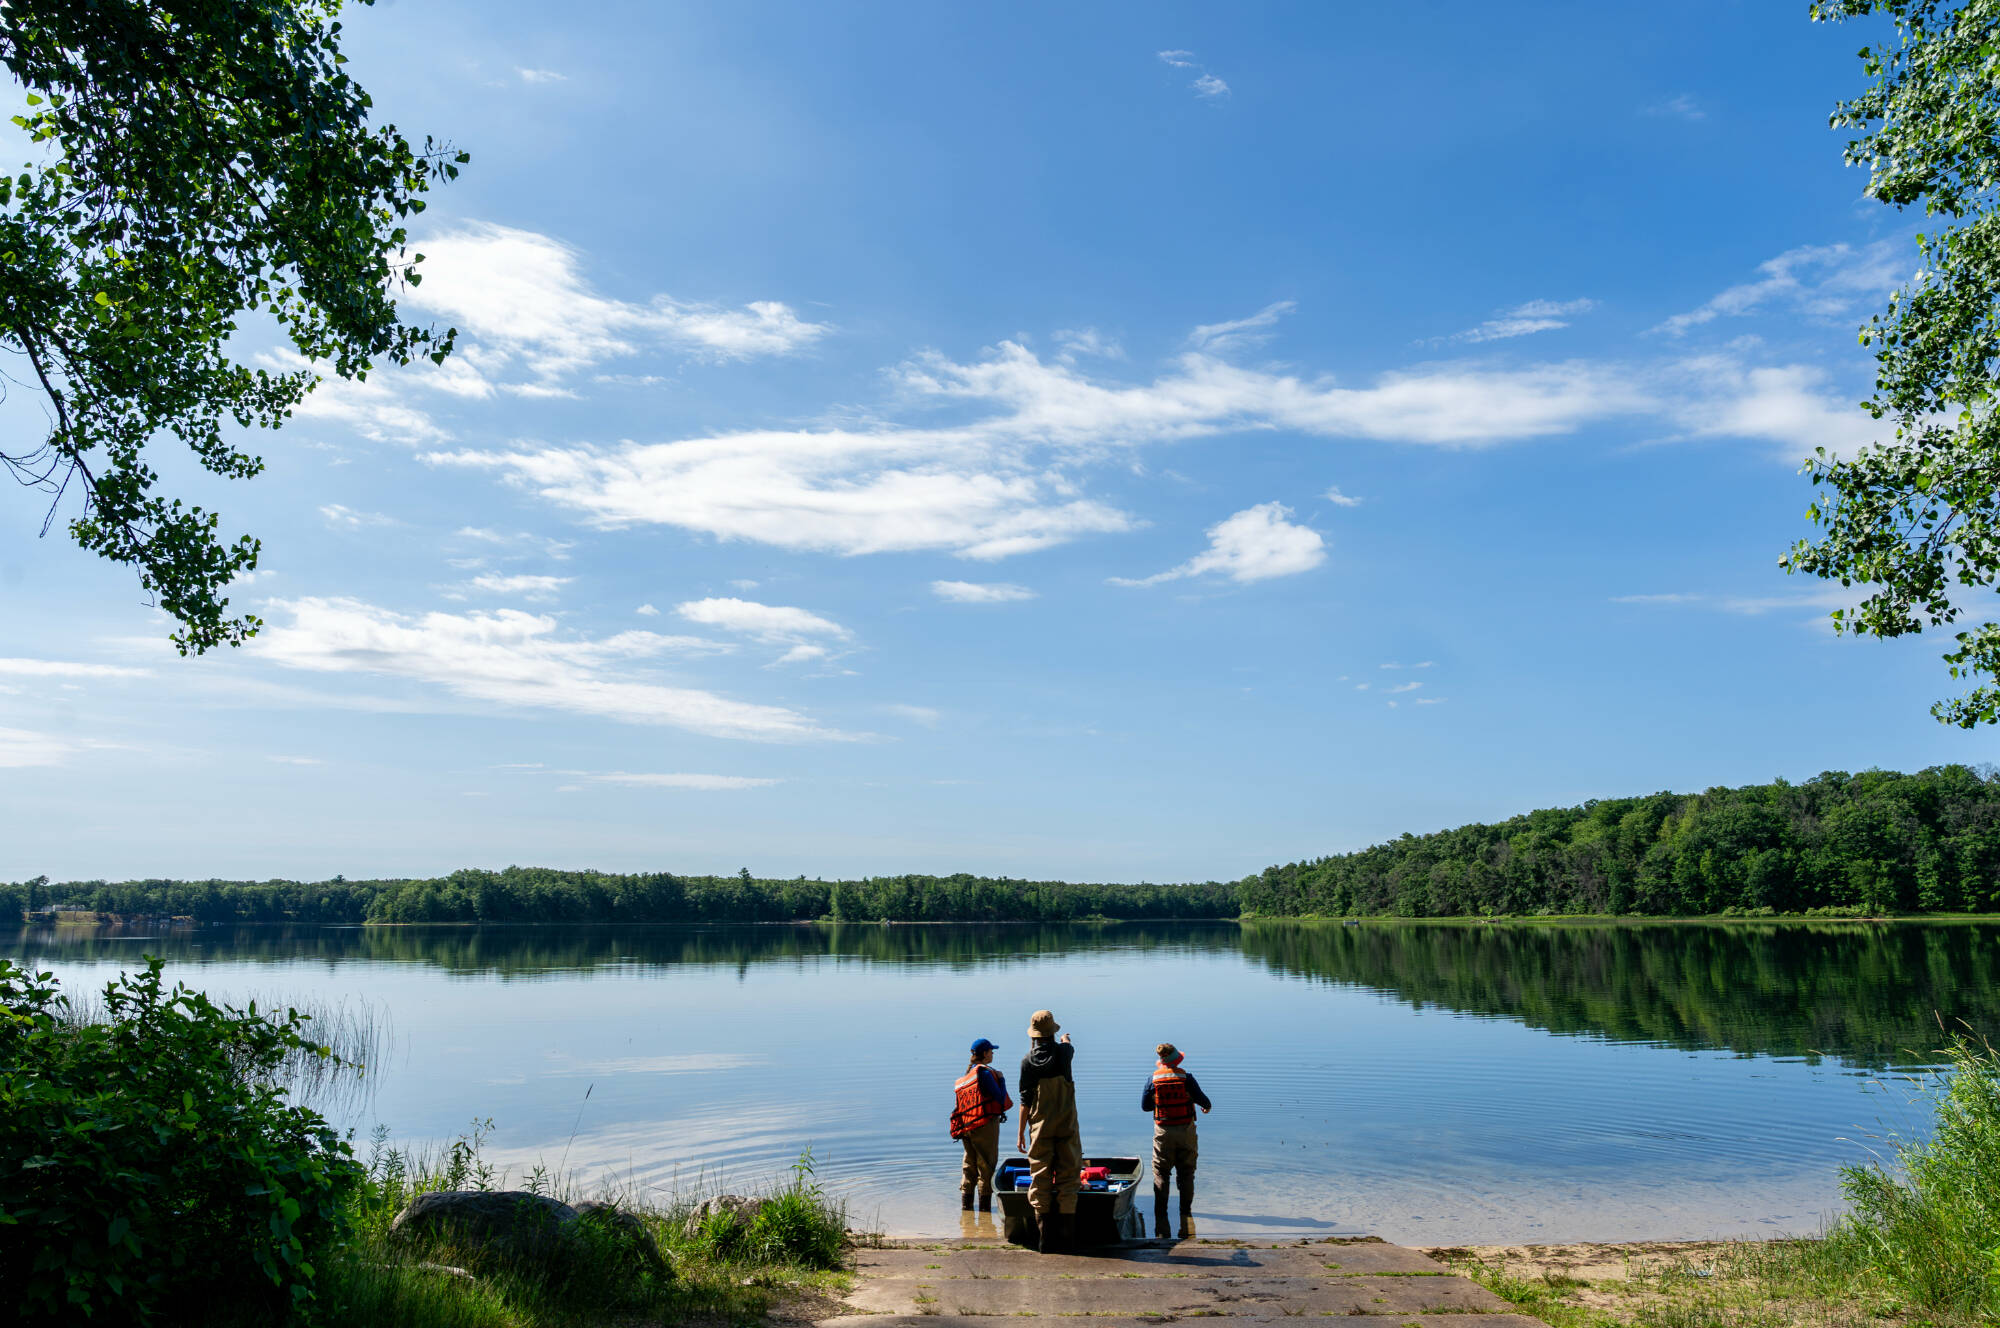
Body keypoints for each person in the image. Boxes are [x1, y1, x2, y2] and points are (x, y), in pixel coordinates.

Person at [1015, 1008, 1081, 1253]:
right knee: (1069, 1178)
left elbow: (1024, 1102)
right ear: (1052, 1033)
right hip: (1066, 1125)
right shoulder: (1064, 1053)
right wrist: (1065, 1039)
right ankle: (1068, 1241)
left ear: (1033, 1036)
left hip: (1039, 1128)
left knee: (1040, 1179)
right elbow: (1068, 1044)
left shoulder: (1026, 1062)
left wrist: (1021, 1132)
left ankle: (1044, 1242)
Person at [1141, 1041, 1211, 1241]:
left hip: (1163, 1132)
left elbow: (1145, 1107)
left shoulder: (1152, 1079)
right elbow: (1205, 1101)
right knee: (1186, 1172)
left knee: (1161, 1173)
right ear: (1177, 1060)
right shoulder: (1186, 1078)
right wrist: (1205, 1107)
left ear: (1161, 1061)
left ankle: (1161, 1218)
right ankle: (1185, 1213)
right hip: (1185, 1131)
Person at [949, 1037, 1011, 1211]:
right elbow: (999, 1097)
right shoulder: (985, 1072)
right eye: (991, 1051)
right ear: (984, 1054)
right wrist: (1001, 1078)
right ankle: (984, 1211)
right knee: (987, 1167)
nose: (992, 1054)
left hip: (967, 1126)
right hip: (984, 1126)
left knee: (969, 1166)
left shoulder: (969, 1074)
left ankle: (966, 1208)